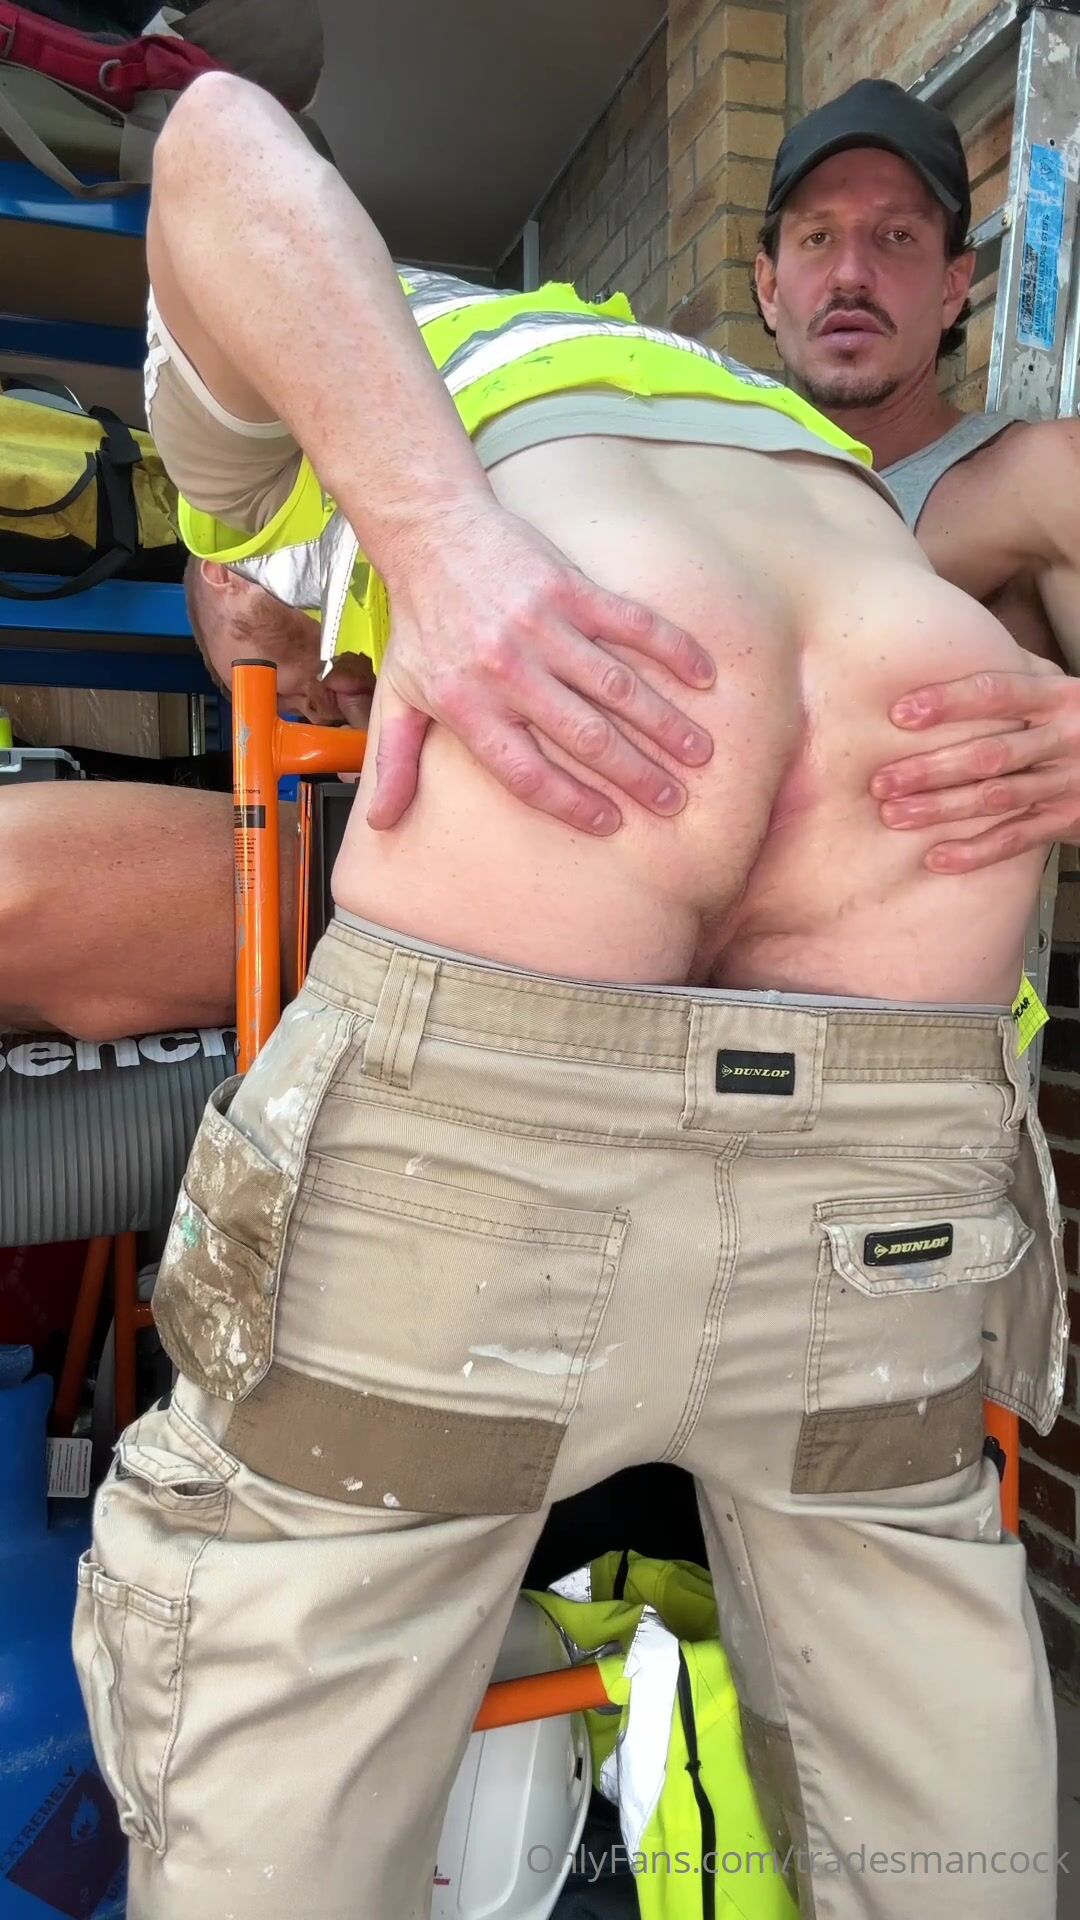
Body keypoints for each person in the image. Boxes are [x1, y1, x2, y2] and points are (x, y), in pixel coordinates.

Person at [71, 72, 1067, 1920]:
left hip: (529, 1017)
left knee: (282, 1741)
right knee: (937, 1786)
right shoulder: (787, 440)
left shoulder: (316, 414)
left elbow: (211, 138)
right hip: (899, 1050)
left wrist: (438, 550)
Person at [753, 77, 1080, 868]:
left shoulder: (1037, 479)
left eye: (896, 235)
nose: (850, 275)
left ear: (952, 287)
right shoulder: (713, 483)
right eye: (817, 238)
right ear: (768, 287)